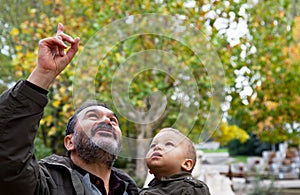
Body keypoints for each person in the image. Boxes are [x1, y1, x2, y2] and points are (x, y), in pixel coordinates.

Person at [0, 23, 138, 195]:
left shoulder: (136, 192)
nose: (106, 121)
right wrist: (43, 74)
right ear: (69, 142)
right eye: (93, 116)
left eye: (113, 120)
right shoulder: (43, 184)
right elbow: (9, 153)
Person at [139, 128, 211, 195]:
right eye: (153, 145)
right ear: (150, 170)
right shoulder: (148, 189)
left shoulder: (192, 189)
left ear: (186, 164)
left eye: (168, 144)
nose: (157, 147)